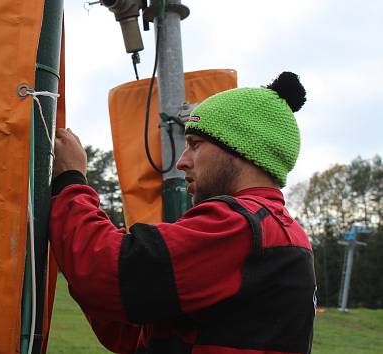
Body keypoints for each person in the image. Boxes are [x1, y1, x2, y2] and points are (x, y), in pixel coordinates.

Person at [49, 72, 316, 354]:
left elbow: (116, 274)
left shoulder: (240, 224)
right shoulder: (274, 228)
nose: (182, 161)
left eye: (196, 145)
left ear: (242, 150)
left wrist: (70, 182)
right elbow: (134, 328)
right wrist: (83, 258)